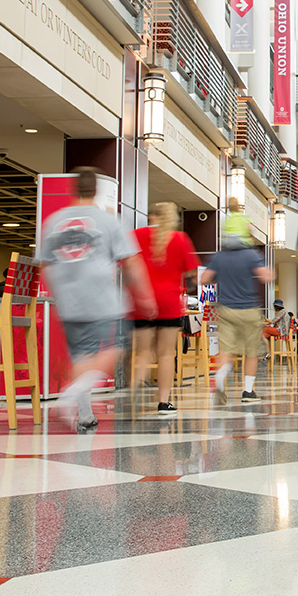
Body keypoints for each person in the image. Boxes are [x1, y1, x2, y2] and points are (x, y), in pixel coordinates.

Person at [38, 167, 156, 431]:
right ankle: (74, 390)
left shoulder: (53, 222)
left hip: (69, 302)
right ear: (96, 191)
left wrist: (59, 294)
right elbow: (131, 261)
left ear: (74, 189)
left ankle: (84, 414)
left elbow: (45, 265)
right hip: (102, 300)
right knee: (116, 347)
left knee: (81, 355)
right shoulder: (108, 220)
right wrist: (145, 295)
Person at [130, 201, 199, 415]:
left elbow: (126, 265)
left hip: (142, 301)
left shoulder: (136, 235)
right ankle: (163, 402)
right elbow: (193, 274)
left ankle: (134, 392)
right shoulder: (180, 239)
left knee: (142, 353)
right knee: (166, 354)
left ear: (152, 216)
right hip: (169, 302)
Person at [201, 244, 274, 404]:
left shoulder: (219, 256)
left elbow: (204, 279)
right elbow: (266, 276)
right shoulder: (251, 255)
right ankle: (248, 391)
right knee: (251, 352)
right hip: (249, 309)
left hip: (226, 309)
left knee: (226, 350)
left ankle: (220, 378)